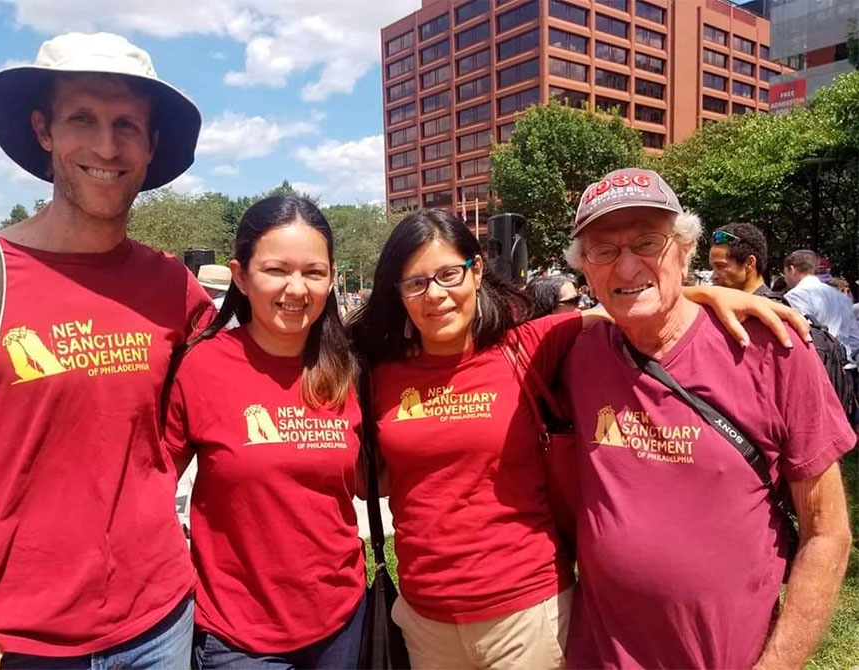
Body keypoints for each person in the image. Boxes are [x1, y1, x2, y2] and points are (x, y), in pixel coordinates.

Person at [347, 208, 806, 670]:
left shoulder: (526, 347)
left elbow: (622, 306)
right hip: (426, 619)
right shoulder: (377, 373)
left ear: (477, 270)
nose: (436, 295)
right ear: (398, 292)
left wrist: (706, 293)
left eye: (450, 274)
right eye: (416, 283)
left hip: (526, 615)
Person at [0, 32, 210, 669]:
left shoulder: (171, 287)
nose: (106, 147)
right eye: (82, 118)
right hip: (5, 639)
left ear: (151, 145)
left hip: (160, 623)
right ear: (42, 129)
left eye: (127, 125)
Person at [561, 168, 853, 669]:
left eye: (647, 243)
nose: (626, 266)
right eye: (603, 251)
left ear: (685, 250)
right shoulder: (573, 353)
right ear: (584, 269)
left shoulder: (773, 351)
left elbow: (827, 531)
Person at [164, 196, 367, 670]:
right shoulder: (201, 367)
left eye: (314, 272)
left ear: (331, 278)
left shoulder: (348, 368)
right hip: (239, 637)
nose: (296, 288)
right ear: (240, 275)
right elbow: (152, 487)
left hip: (341, 620)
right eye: (276, 270)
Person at [784, 249, 859, 360]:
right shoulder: (842, 298)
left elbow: (803, 335)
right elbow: (855, 338)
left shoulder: (795, 296)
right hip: (845, 364)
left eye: (785, 273)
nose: (785, 278)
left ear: (792, 269)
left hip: (818, 363)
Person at [709, 222, 776, 297]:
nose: (713, 276)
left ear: (749, 263)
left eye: (720, 266)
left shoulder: (770, 304)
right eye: (713, 268)